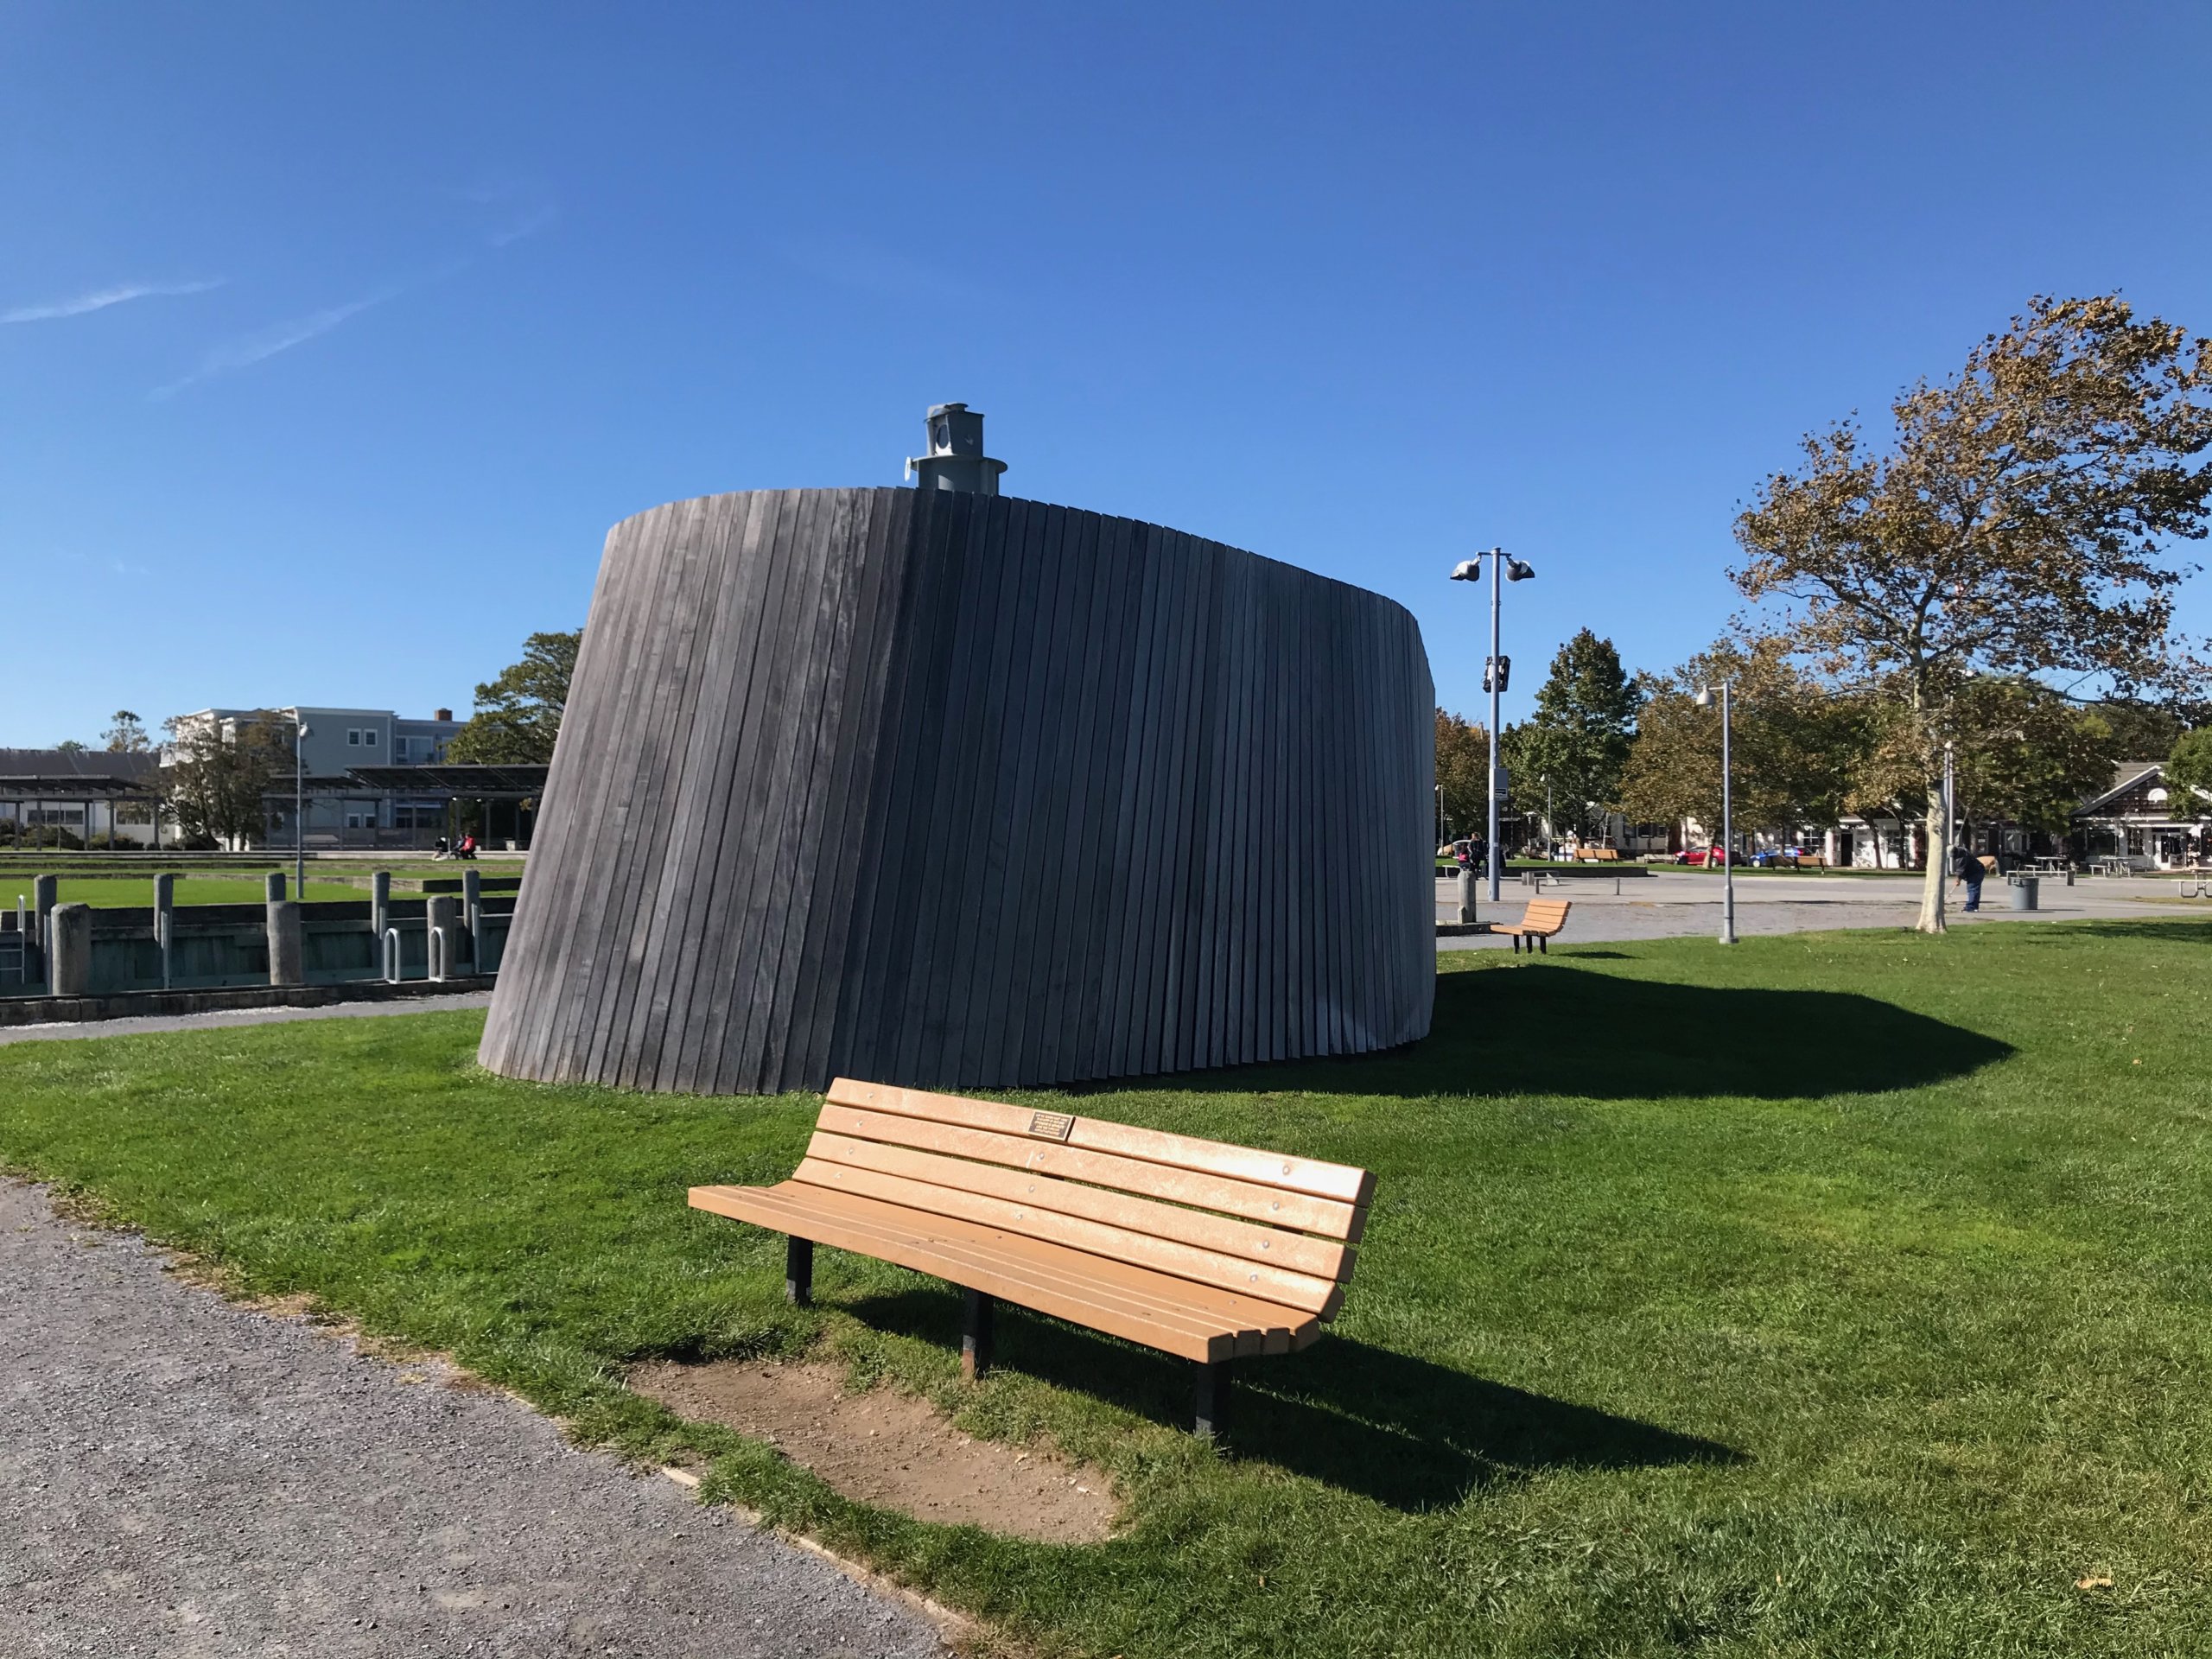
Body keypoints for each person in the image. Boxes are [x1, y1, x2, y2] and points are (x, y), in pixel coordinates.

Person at [1952, 842, 1986, 912]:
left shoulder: (1960, 857)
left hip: (1976, 872)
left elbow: (1960, 871)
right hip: (1976, 870)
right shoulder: (1962, 850)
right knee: (1975, 889)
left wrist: (1958, 880)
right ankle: (1975, 907)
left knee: (1972, 889)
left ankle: (1971, 907)